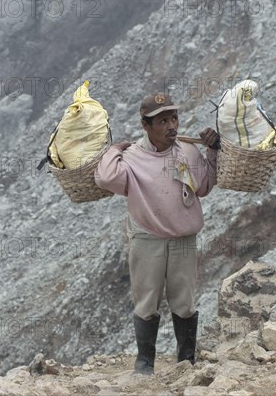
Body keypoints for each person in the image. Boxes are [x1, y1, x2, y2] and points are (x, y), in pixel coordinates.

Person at [94, 92, 220, 375]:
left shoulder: (187, 151)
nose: (171, 125)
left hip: (183, 239)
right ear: (146, 125)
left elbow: (203, 186)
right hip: (147, 238)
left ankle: (186, 361)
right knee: (146, 301)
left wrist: (213, 150)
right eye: (162, 121)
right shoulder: (132, 157)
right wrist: (115, 149)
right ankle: (145, 363)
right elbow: (105, 177)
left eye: (173, 118)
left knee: (184, 301)